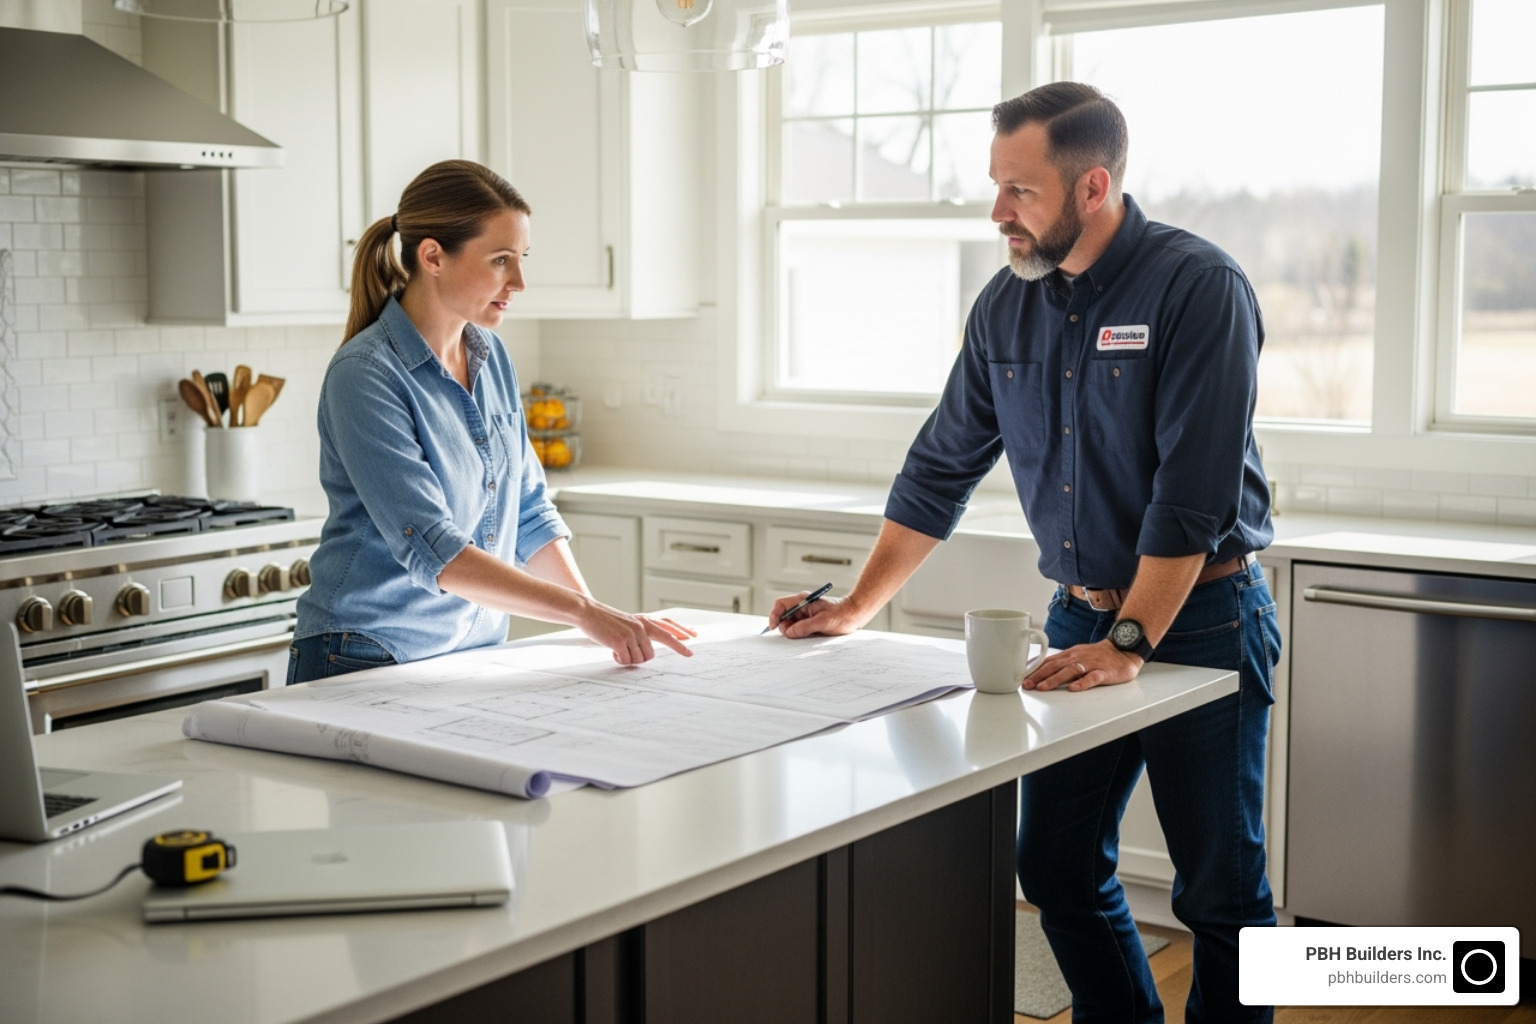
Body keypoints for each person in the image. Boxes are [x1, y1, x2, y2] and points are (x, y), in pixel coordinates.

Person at [769, 83, 1280, 1024]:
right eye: (995, 185)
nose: (997, 211)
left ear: (1092, 188)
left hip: (1202, 615)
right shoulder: (1006, 307)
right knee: (1053, 865)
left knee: (1221, 892)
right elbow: (939, 470)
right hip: (1076, 615)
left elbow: (1192, 498)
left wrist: (1130, 641)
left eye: (1020, 191)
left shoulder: (1198, 288)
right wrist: (857, 604)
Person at [291, 159, 694, 683]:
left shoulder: (491, 355)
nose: (520, 281)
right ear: (433, 256)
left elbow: (528, 510)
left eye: (522, 258)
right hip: (364, 654)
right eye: (501, 260)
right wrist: (585, 614)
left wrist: (595, 618)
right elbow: (438, 551)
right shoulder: (365, 374)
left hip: (467, 655)